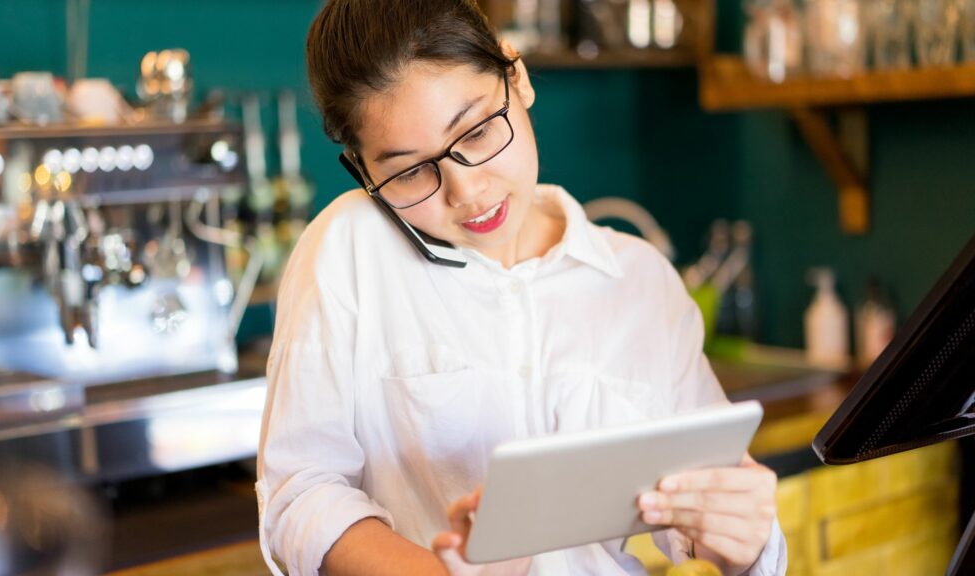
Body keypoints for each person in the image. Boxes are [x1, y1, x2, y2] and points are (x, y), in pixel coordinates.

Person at [256, 1, 787, 574]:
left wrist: (748, 540)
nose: (465, 192)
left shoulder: (639, 280)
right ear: (363, 170)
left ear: (517, 75)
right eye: (410, 171)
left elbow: (707, 504)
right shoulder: (349, 248)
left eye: (479, 131)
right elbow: (300, 493)